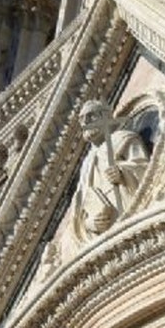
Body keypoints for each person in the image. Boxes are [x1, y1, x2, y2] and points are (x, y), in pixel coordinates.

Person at [69, 99, 149, 243]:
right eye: (81, 119)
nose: (85, 122)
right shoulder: (86, 165)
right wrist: (89, 223)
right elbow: (80, 204)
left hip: (130, 208)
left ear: (105, 116)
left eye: (91, 116)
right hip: (105, 230)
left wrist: (122, 172)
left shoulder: (124, 138)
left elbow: (146, 169)